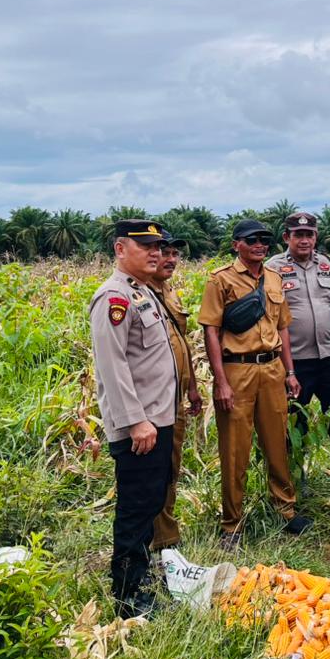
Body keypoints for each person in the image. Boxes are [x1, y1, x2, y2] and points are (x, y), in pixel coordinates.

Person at [200, 219, 309, 549]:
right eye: (252, 240)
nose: (260, 244)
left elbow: (284, 329)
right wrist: (221, 382)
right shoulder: (220, 280)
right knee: (235, 450)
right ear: (237, 244)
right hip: (238, 371)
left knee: (277, 442)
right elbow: (211, 332)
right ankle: (232, 524)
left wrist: (290, 372)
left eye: (265, 239)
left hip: (272, 369)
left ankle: (285, 510)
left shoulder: (274, 279)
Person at [88, 218, 178, 617]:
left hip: (157, 418)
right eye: (146, 247)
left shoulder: (142, 292)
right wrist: (136, 421)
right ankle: (128, 595)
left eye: (158, 247)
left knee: (150, 501)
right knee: (136, 507)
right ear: (120, 249)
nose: (155, 253)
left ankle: (141, 577)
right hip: (140, 425)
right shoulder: (114, 298)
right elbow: (113, 365)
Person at [266, 212, 330, 481]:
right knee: (295, 421)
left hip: (329, 355)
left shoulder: (327, 264)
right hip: (294, 361)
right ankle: (295, 477)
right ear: (287, 237)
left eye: (309, 234)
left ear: (316, 236)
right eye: (298, 235)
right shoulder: (271, 268)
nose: (304, 240)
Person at [149, 232, 205, 552]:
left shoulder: (168, 292)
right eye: (164, 252)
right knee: (159, 468)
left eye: (174, 254)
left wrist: (194, 387)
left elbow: (180, 345)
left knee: (173, 464)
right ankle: (160, 539)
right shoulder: (140, 294)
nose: (170, 259)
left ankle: (165, 533)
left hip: (177, 398)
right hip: (155, 401)